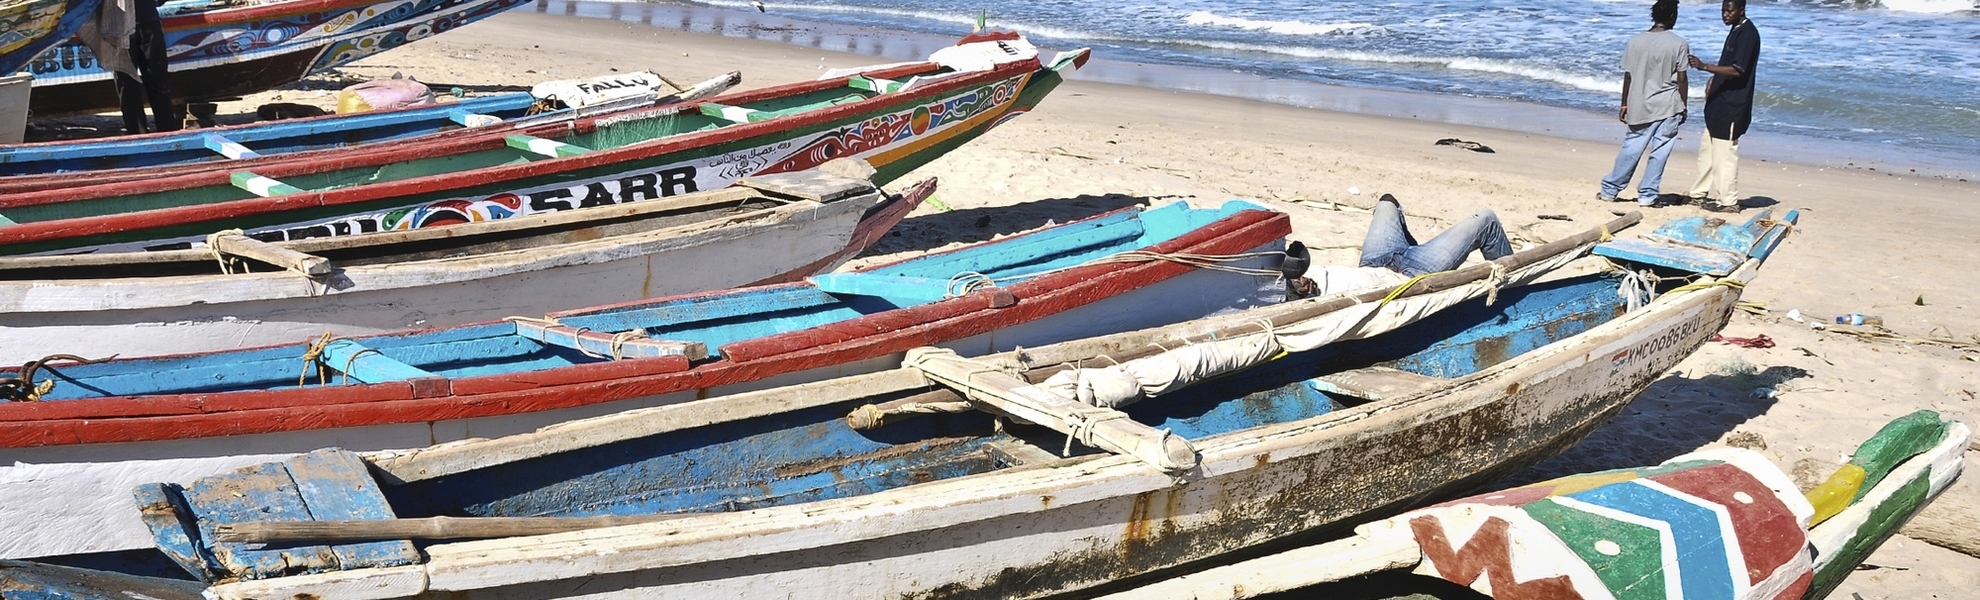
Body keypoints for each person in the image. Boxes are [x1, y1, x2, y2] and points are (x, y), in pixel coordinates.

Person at [1299, 194, 1515, 298]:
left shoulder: (1275, 274)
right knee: (1486, 220)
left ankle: (1413, 248)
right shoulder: (1302, 295)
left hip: (1376, 261)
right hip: (1410, 277)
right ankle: (1514, 290)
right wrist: (1304, 288)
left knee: (1387, 202)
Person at [1598, 0, 1688, 207]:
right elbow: (1682, 79)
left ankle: (1609, 190)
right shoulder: (1679, 43)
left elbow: (1628, 76)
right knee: (1660, 151)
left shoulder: (1635, 41)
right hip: (1667, 104)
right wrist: (1683, 105)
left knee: (1631, 147)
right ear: (1673, 16)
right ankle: (1647, 195)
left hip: (1639, 103)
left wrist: (1624, 104)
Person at [1686, 0, 1759, 214]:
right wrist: (1713, 80)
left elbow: (1738, 70)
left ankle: (1728, 201)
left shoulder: (1748, 33)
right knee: (1707, 151)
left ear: (1741, 10)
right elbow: (1727, 63)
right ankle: (1698, 194)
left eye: (1730, 10)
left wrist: (1705, 67)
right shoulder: (1735, 29)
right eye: (1723, 10)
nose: (1725, 14)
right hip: (1718, 101)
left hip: (1733, 104)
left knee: (1725, 153)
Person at [117, 0, 181, 134]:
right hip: (140, 23)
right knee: (153, 82)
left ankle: (141, 133)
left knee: (128, 84)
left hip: (125, 26)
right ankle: (165, 132)